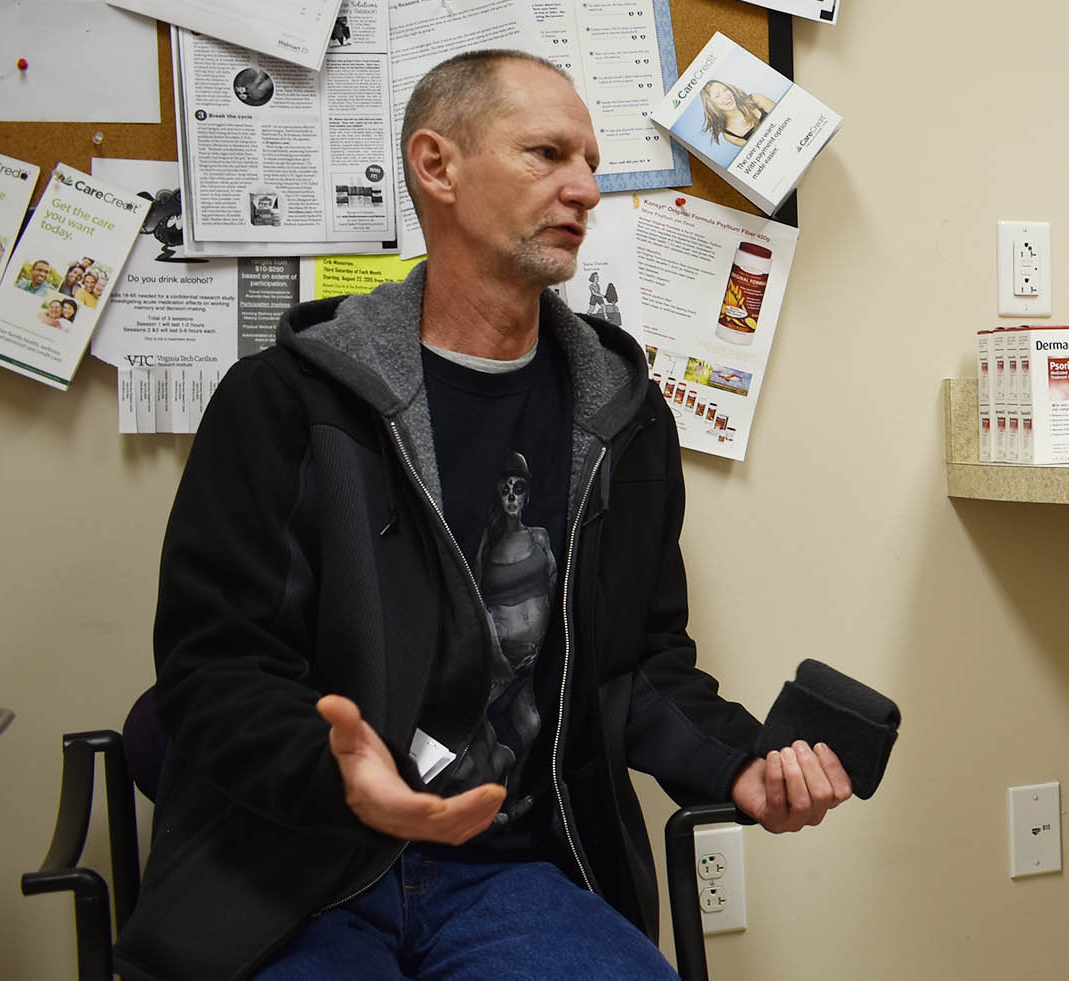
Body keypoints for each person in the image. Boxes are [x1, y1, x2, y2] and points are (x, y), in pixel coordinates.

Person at [120, 49, 853, 981]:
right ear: (437, 166)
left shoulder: (623, 418)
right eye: (547, 154)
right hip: (296, 867)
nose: (585, 188)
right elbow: (212, 667)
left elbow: (637, 664)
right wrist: (338, 771)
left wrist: (740, 764)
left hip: (511, 869)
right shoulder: (285, 403)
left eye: (589, 160)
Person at [698, 79, 774, 148]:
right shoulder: (729, 135)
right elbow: (758, 150)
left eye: (725, 90)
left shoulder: (756, 99)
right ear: (711, 105)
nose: (726, 96)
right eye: (717, 96)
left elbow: (782, 115)